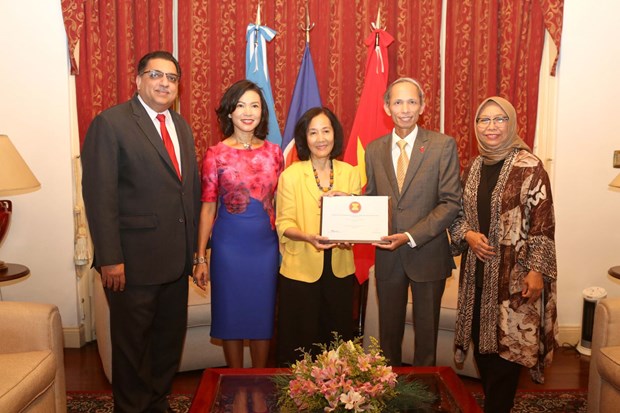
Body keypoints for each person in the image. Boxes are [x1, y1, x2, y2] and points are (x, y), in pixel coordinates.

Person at [81, 50, 201, 412]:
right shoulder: (111, 123)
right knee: (132, 348)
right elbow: (99, 197)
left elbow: (188, 191)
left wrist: (196, 254)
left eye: (172, 77)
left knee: (168, 342)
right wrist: (110, 259)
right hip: (132, 265)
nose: (165, 82)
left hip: (176, 262)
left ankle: (157, 401)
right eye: (156, 75)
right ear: (138, 80)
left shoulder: (180, 125)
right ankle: (132, 407)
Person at [449, 96, 558, 413]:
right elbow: (459, 216)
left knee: (508, 353)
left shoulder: (531, 167)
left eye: (499, 119)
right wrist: (468, 234)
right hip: (477, 278)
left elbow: (543, 223)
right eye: (484, 120)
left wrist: (536, 271)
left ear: (511, 124)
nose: (491, 126)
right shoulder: (473, 167)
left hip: (515, 279)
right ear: (476, 127)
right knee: (483, 352)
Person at [364, 77, 462, 367]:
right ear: (386, 107)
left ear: (422, 105)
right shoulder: (374, 149)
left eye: (411, 101)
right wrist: (348, 206)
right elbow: (372, 198)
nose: (404, 109)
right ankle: (387, 395)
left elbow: (450, 202)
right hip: (388, 257)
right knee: (388, 337)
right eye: (397, 102)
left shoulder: (442, 145)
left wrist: (409, 235)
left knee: (426, 340)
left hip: (428, 253)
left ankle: (425, 397)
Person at [193, 79, 283, 369]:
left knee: (262, 313)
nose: (248, 111)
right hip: (229, 246)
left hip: (265, 247)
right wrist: (200, 258)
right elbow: (208, 208)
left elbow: (282, 203)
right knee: (230, 314)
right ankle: (234, 380)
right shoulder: (215, 154)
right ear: (229, 112)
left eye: (254, 105)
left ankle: (259, 378)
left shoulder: (274, 153)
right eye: (241, 105)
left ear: (262, 112)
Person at [275, 107, 361, 366]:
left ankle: (336, 397)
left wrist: (350, 235)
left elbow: (357, 220)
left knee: (336, 340)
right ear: (304, 138)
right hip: (300, 269)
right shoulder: (290, 175)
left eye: (326, 130)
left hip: (340, 269)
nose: (320, 138)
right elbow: (283, 222)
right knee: (299, 341)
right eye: (313, 132)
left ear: (335, 134)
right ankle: (297, 398)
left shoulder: (350, 173)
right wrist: (309, 237)